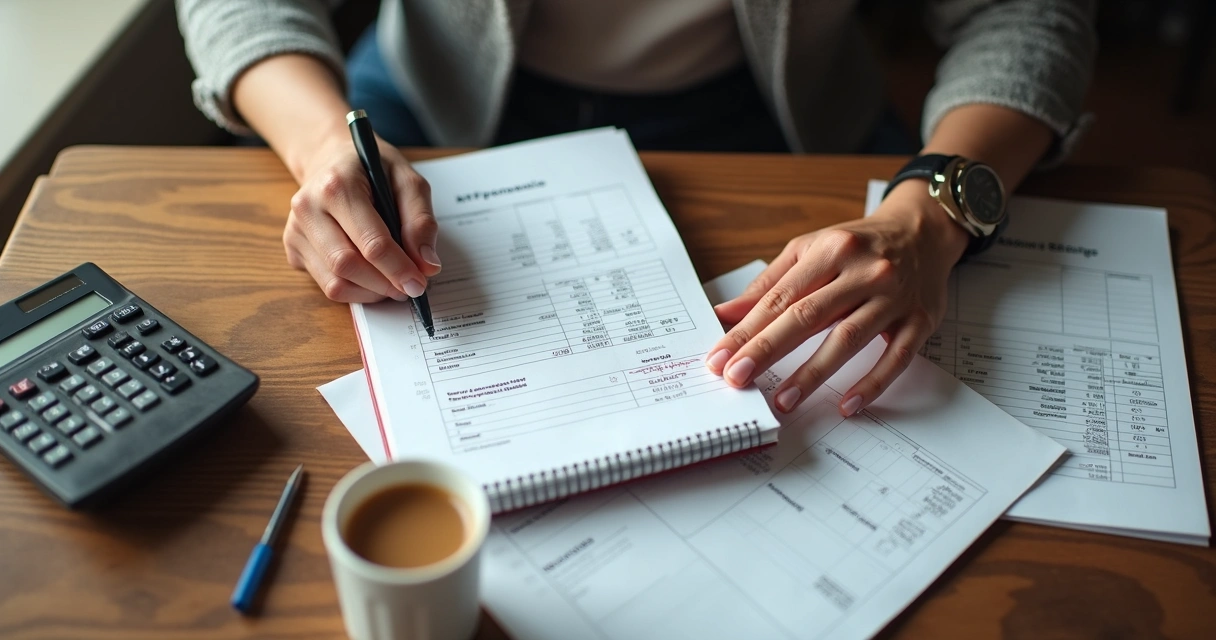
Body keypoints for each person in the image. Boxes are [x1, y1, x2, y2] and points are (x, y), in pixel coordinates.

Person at [176, 0, 1096, 417]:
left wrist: (932, 213)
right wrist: (320, 148)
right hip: (430, 104)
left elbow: (1031, 16)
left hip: (773, 115)